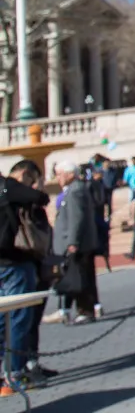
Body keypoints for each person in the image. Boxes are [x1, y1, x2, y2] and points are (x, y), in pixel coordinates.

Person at [0, 160, 50, 394]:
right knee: (19, 318)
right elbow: (41, 199)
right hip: (14, 261)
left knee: (1, 321)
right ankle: (15, 374)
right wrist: (35, 187)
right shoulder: (7, 187)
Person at [45, 163, 98, 325]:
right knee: (75, 276)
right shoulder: (74, 189)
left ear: (70, 174)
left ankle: (85, 310)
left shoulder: (75, 191)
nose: (58, 178)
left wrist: (72, 242)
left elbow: (77, 219)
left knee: (81, 277)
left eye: (60, 174)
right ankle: (71, 310)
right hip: (76, 243)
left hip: (78, 244)